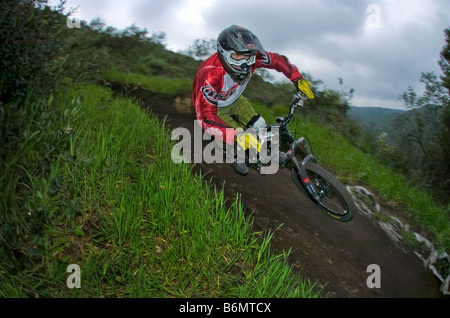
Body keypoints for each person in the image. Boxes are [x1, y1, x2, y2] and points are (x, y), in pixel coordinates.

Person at [191, 25, 314, 175]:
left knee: (260, 125)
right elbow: (205, 118)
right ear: (224, 53)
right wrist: (234, 137)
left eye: (247, 56)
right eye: (237, 56)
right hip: (215, 109)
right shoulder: (210, 75)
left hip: (235, 99)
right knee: (239, 136)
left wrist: (297, 79)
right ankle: (237, 156)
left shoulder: (253, 58)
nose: (244, 63)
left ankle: (267, 154)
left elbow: (277, 60)